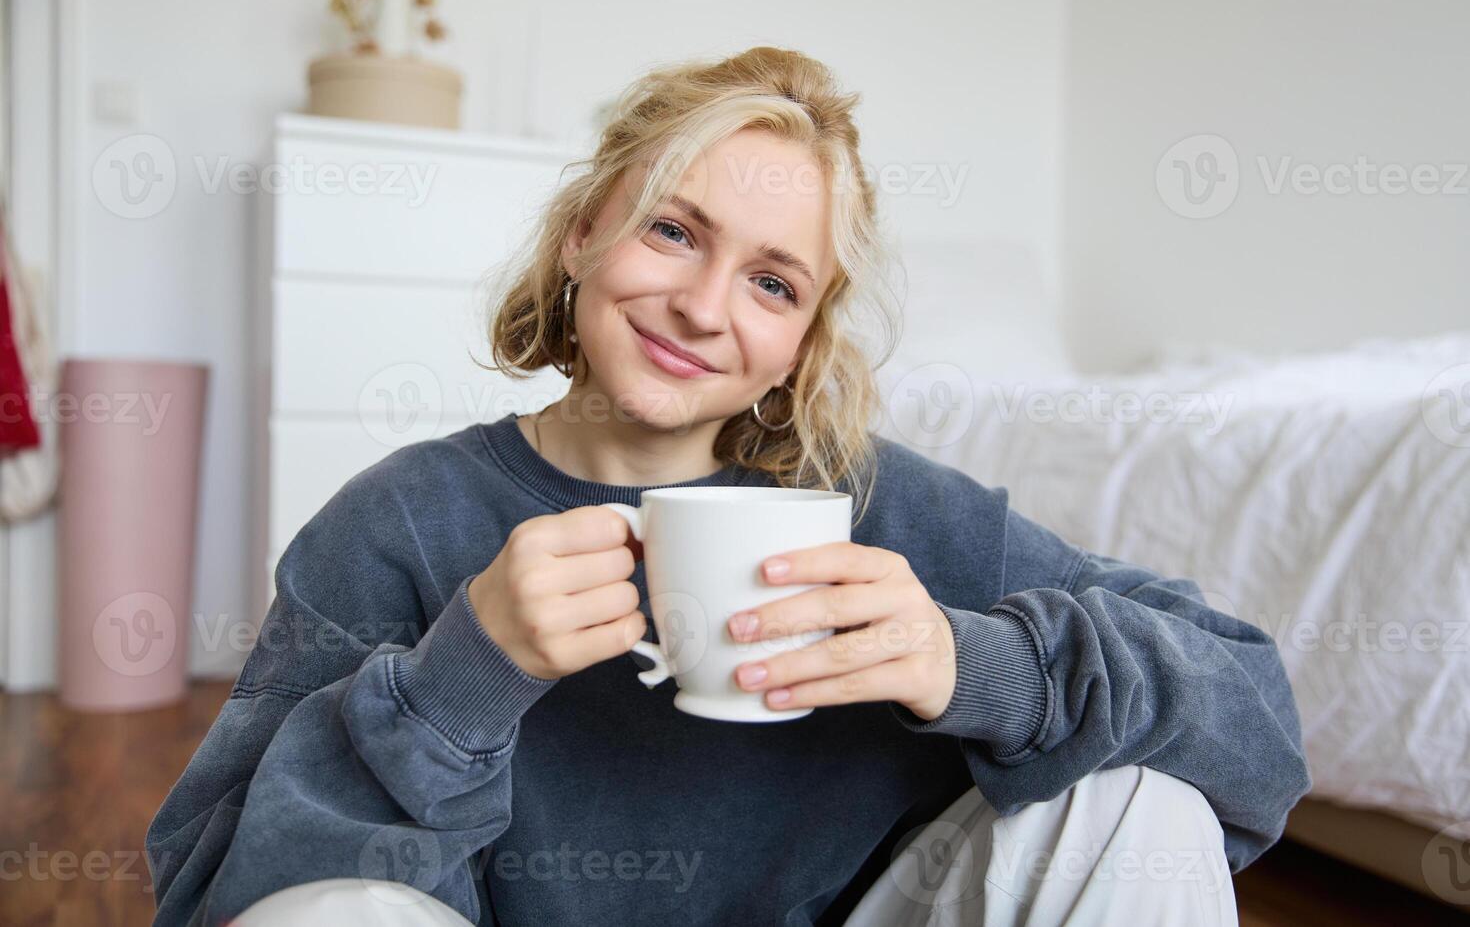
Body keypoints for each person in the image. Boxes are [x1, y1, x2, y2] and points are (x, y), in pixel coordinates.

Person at [145, 46, 1309, 926]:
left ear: (803, 339)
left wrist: (977, 665)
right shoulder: (400, 519)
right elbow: (209, 884)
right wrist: (455, 686)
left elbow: (1253, 715)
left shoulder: (891, 517)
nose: (704, 307)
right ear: (582, 233)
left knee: (1132, 805)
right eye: (671, 230)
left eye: (771, 280)